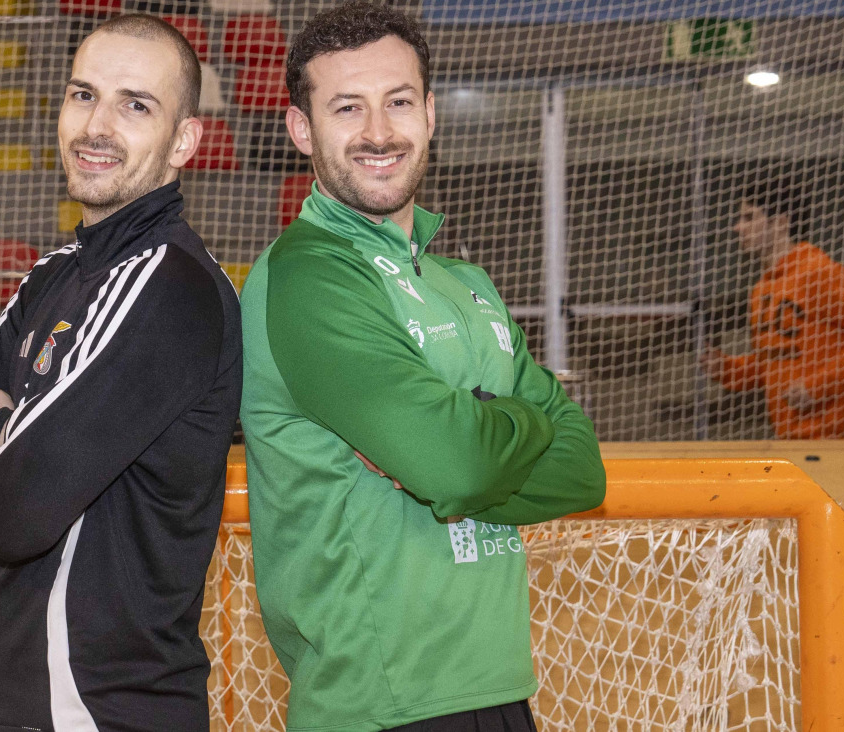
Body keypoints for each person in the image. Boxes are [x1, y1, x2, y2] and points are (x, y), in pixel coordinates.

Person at [237, 4, 606, 731]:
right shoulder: (309, 276)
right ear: (301, 129)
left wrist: (470, 433)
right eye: (348, 108)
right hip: (380, 702)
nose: (379, 132)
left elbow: (582, 471)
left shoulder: (467, 285)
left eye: (398, 102)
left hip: (498, 686)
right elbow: (457, 467)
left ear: (431, 113)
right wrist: (485, 439)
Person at [0, 15, 242, 731]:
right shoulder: (54, 277)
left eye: (135, 105)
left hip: (105, 714)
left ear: (184, 141)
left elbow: (13, 511)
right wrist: (6, 432)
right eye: (83, 95)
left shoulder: (167, 286)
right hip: (22, 712)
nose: (97, 125)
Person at [702, 178, 844, 438]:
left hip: (839, 435)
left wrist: (817, 387)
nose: (737, 227)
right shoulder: (761, 290)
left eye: (749, 218)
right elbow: (775, 359)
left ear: (780, 222)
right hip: (792, 435)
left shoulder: (817, 273)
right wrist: (729, 369)